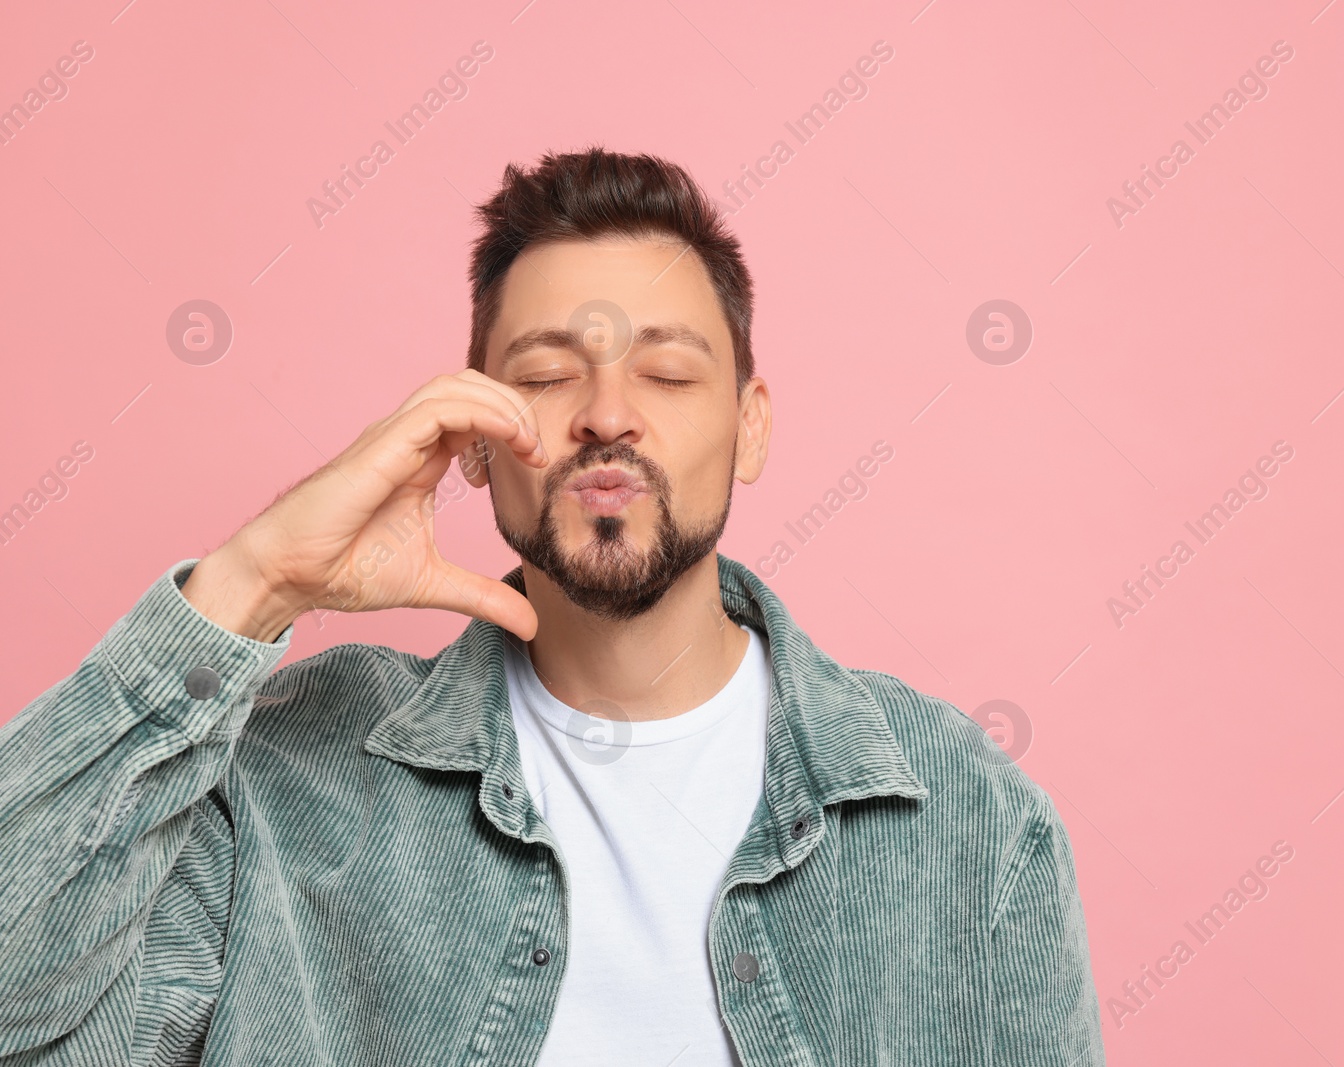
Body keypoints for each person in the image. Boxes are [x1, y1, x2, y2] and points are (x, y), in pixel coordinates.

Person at [0, 147, 1105, 1066]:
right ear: (472, 441)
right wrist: (249, 585)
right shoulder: (286, 785)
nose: (606, 415)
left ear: (751, 423)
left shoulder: (967, 819)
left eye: (668, 373)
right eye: (542, 375)